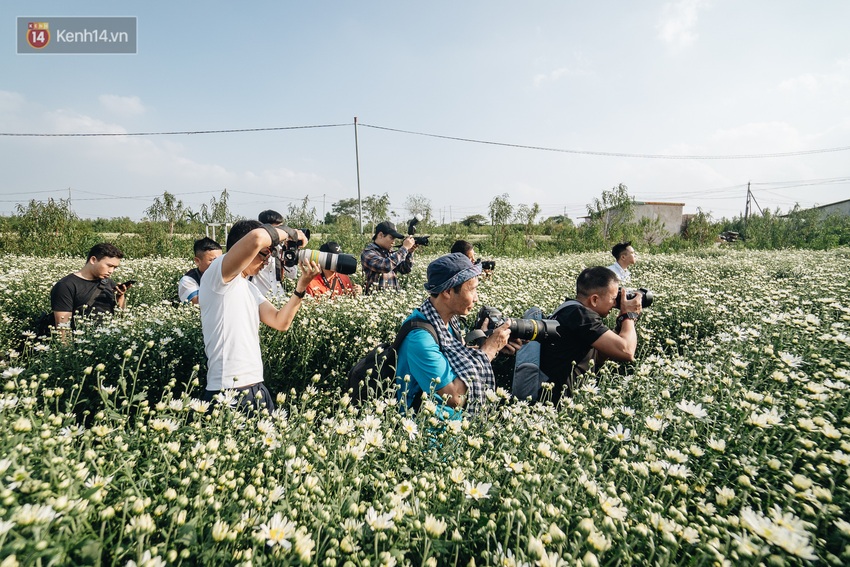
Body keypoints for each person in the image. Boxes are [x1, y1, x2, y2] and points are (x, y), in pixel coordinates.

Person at [199, 220, 320, 413]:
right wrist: (291, 233)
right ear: (241, 248)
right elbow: (256, 238)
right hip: (228, 389)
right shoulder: (218, 275)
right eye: (265, 253)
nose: (267, 260)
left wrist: (301, 287)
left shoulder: (248, 287)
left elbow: (281, 322)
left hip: (255, 385)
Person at [395, 253, 521, 419]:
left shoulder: (447, 321)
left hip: (452, 427)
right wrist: (488, 351)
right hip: (427, 436)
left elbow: (457, 361)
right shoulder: (420, 338)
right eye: (472, 289)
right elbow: (454, 397)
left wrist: (493, 345)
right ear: (447, 291)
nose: (476, 298)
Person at [539, 266, 643, 404]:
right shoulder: (582, 316)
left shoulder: (570, 310)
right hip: (559, 404)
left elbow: (597, 358)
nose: (615, 304)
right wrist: (629, 315)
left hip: (558, 399)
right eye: (613, 298)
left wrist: (620, 325)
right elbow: (627, 351)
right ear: (594, 299)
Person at [51, 243, 131, 331]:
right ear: (93, 260)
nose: (111, 271)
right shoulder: (66, 285)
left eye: (115, 267)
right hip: (81, 340)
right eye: (109, 266)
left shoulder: (109, 282)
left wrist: (120, 297)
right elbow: (63, 327)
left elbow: (121, 318)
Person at [249, 209, 296, 298]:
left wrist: (290, 253)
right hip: (259, 297)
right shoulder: (255, 250)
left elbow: (291, 275)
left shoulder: (280, 249)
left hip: (279, 298)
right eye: (276, 230)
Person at [361, 221, 417, 294]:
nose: (393, 242)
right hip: (376, 298)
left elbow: (405, 269)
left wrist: (409, 252)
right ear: (380, 235)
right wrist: (404, 248)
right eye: (391, 238)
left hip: (392, 297)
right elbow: (385, 266)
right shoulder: (368, 253)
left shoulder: (389, 252)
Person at [177, 237, 222, 305]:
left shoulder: (222, 275)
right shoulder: (188, 280)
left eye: (221, 259)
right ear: (197, 261)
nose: (218, 263)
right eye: (213, 260)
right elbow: (199, 303)